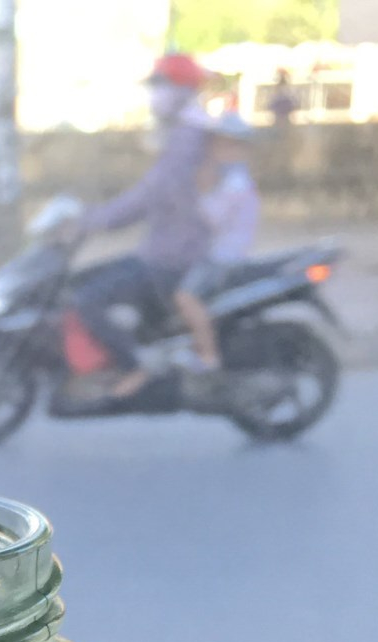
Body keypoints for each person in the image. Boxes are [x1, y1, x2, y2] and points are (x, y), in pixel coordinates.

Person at [71, 52, 213, 399]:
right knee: (85, 282)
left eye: (161, 86)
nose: (154, 95)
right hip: (163, 250)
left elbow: (149, 195)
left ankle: (136, 365)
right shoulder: (182, 132)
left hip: (173, 258)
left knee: (87, 299)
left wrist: (94, 220)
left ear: (183, 90)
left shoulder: (189, 138)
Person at [173, 113, 261, 371]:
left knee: (185, 297)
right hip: (217, 251)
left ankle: (208, 356)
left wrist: (199, 190)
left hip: (222, 256)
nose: (216, 149)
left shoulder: (235, 182)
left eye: (226, 144)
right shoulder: (231, 177)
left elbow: (210, 218)